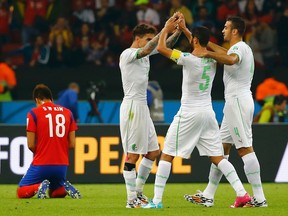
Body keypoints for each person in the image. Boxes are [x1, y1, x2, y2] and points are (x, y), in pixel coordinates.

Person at [143, 14, 250, 209]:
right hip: (208, 114)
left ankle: (157, 201)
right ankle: (242, 194)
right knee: (218, 157)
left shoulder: (187, 59)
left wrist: (167, 28)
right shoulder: (212, 61)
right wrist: (184, 30)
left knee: (167, 154)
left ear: (193, 41)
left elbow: (160, 48)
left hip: (189, 113)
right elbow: (201, 45)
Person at [186, 16, 267, 208]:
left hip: (238, 101)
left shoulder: (238, 49)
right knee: (220, 149)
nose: (223, 30)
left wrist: (207, 55)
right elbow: (216, 49)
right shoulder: (240, 48)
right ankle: (208, 194)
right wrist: (188, 32)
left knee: (245, 148)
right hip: (235, 102)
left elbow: (230, 59)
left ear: (235, 31)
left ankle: (259, 198)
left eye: (226, 27)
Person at [119, 18, 182, 208]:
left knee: (153, 152)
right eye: (147, 38)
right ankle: (131, 200)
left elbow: (165, 44)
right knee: (132, 156)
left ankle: (137, 193)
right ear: (137, 39)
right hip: (132, 108)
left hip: (142, 108)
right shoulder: (128, 54)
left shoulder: (145, 52)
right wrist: (165, 28)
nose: (150, 42)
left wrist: (177, 30)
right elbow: (147, 49)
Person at [17, 84, 81, 199]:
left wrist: (42, 153)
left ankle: (40, 185)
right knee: (55, 193)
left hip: (42, 162)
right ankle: (63, 187)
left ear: (37, 99)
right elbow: (72, 144)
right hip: (62, 165)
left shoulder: (33, 113)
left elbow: (31, 144)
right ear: (51, 98)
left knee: (21, 191)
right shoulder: (67, 113)